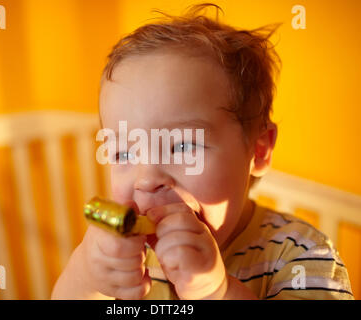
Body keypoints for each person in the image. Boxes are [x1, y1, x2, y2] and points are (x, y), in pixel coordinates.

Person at [51, 3, 353, 300]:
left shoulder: (302, 255)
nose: (146, 179)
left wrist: (216, 292)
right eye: (122, 153)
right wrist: (84, 279)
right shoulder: (121, 253)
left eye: (183, 146)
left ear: (258, 150)